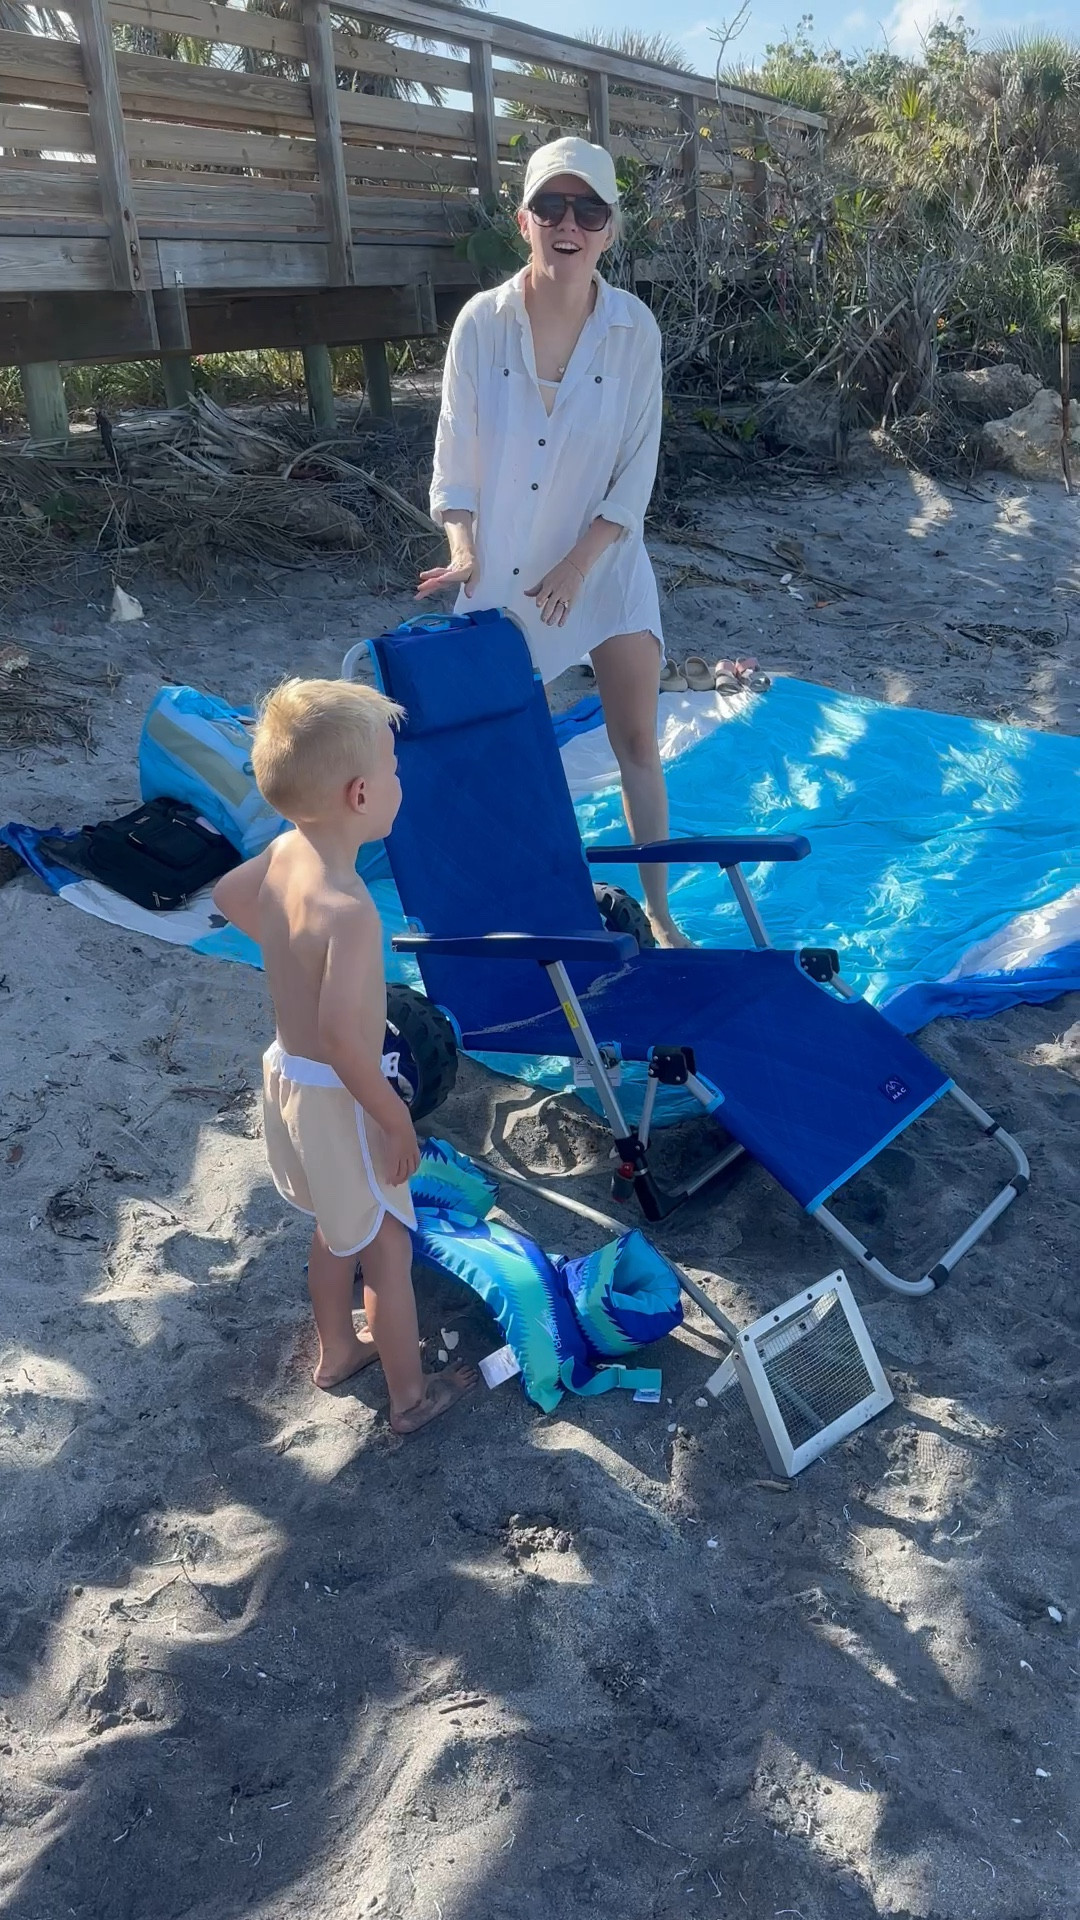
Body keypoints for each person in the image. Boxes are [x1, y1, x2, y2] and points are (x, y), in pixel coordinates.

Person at [418, 134, 689, 949]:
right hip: (502, 570)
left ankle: (661, 914)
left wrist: (577, 565)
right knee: (511, 762)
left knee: (636, 738)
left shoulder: (634, 331)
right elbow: (455, 459)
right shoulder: (481, 323)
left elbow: (634, 475)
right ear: (524, 219)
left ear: (609, 228)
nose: (568, 224)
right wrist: (465, 555)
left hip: (602, 563)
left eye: (589, 209)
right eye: (551, 206)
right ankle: (527, 909)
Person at [212, 678, 476, 1431]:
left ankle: (335, 1353)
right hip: (340, 1095)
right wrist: (395, 1121)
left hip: (285, 1079)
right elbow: (341, 1038)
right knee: (387, 1254)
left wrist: (291, 954)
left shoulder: (289, 850)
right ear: (362, 795)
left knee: (336, 1226)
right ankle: (409, 1398)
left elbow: (231, 897)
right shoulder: (352, 911)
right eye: (393, 770)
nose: (399, 782)